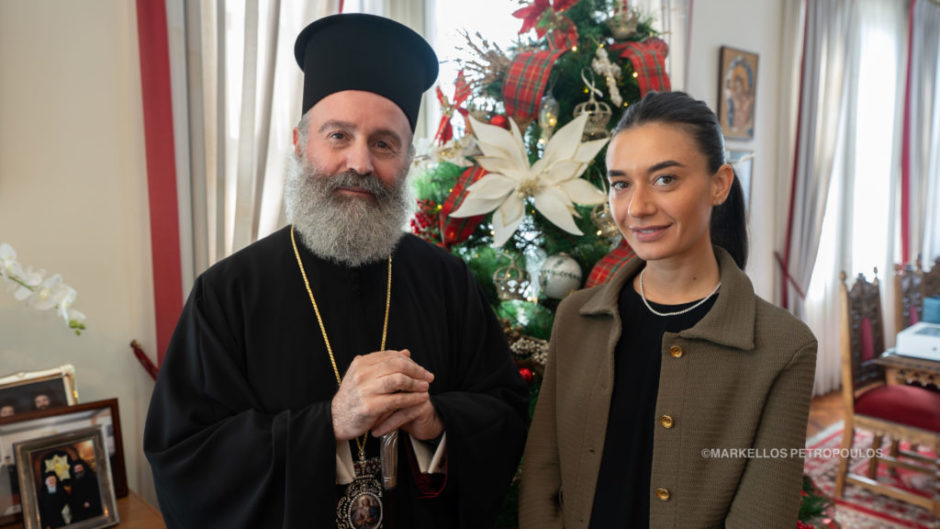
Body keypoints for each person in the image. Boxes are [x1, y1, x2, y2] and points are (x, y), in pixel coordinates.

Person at [144, 13, 528, 529]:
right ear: (300, 143)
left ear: (407, 161)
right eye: (339, 135)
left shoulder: (448, 282)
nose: (360, 163)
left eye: (384, 143)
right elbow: (184, 459)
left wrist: (436, 423)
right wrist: (328, 424)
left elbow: (504, 416)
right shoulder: (227, 293)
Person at [518, 91, 817, 528]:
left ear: (719, 184)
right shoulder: (576, 318)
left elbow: (762, 516)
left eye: (665, 179)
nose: (637, 208)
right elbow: (542, 472)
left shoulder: (784, 347)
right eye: (621, 184)